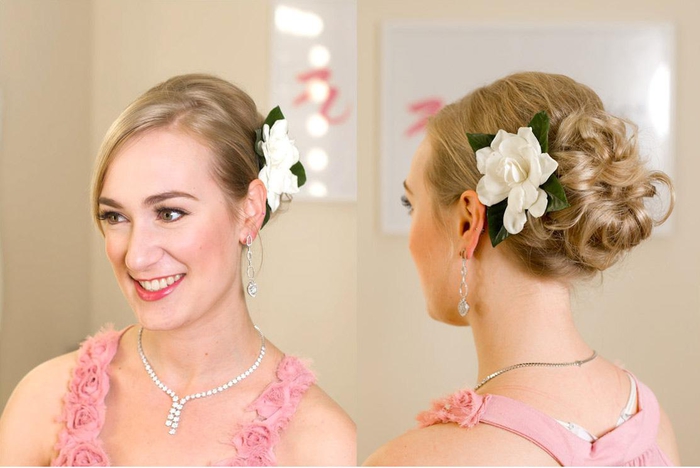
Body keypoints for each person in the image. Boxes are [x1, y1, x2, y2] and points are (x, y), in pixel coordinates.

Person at [0, 74, 356, 466]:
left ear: (249, 210)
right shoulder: (45, 398)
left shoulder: (320, 441)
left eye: (170, 213)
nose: (135, 257)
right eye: (115, 216)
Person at [365, 72, 679, 466]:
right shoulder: (651, 421)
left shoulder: (415, 460)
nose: (410, 237)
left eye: (412, 206)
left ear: (467, 221)